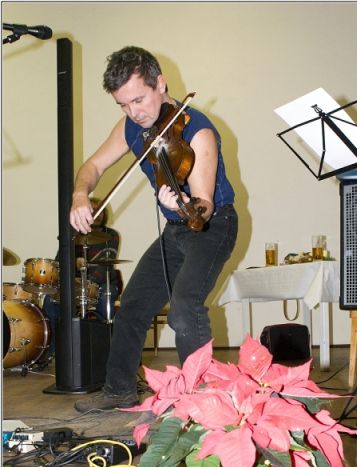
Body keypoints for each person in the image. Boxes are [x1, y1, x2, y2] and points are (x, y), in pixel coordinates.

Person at [70, 46, 237, 412]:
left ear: (160, 84)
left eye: (139, 100)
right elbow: (93, 166)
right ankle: (118, 391)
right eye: (123, 105)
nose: (135, 113)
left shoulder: (197, 131)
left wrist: (181, 204)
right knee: (132, 306)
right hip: (175, 232)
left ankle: (205, 404)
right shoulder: (131, 126)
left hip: (212, 226)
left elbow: (204, 205)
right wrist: (81, 195)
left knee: (184, 308)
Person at [42, 198, 120, 360]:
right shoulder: (72, 234)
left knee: (104, 298)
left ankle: (105, 351)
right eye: (92, 209)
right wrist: (74, 263)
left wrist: (85, 282)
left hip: (103, 283)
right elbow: (58, 263)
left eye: (100, 210)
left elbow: (104, 266)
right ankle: (54, 351)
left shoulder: (111, 235)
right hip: (75, 284)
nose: (96, 214)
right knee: (50, 301)